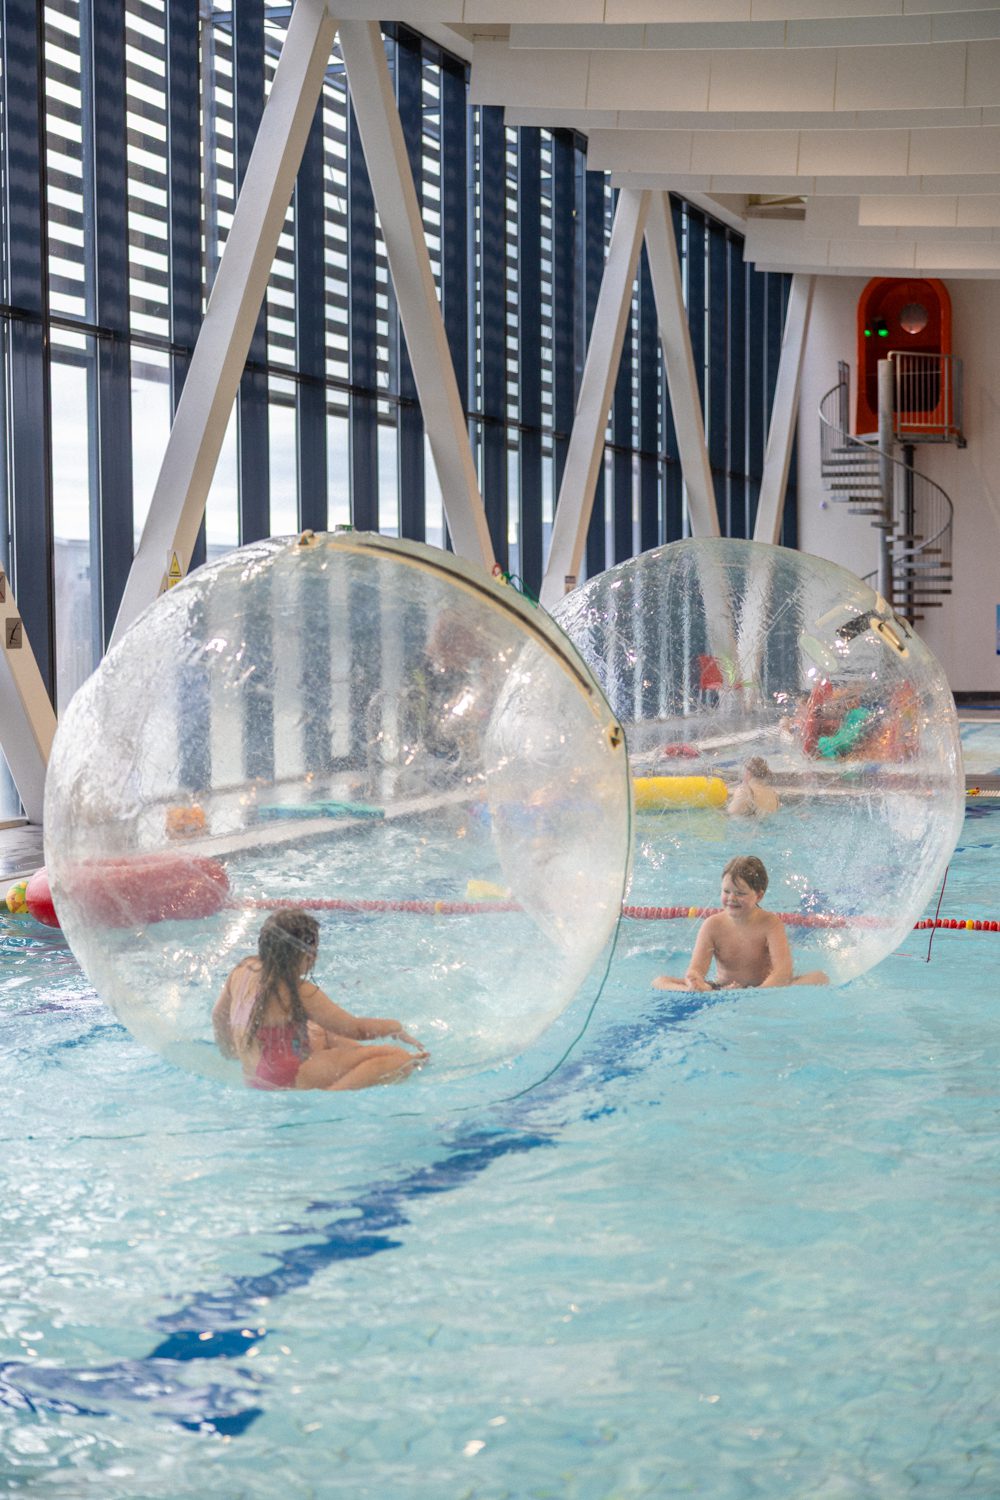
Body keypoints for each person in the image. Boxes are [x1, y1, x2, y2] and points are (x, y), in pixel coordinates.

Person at [213, 908, 428, 1091]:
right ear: (305, 955)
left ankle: (357, 1060)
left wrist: (230, 1051)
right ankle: (333, 1096)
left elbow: (218, 1016)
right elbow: (356, 1029)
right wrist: (394, 1027)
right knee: (399, 1058)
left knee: (321, 1030)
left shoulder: (243, 969)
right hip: (288, 1076)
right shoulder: (298, 990)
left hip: (254, 1075)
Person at [652, 855, 828, 991]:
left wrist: (754, 994)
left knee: (820, 978)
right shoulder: (712, 925)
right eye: (726, 891)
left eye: (740, 893)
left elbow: (783, 972)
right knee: (660, 981)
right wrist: (695, 982)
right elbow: (696, 970)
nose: (731, 898)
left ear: (759, 895)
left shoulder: (770, 924)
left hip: (762, 987)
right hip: (722, 988)